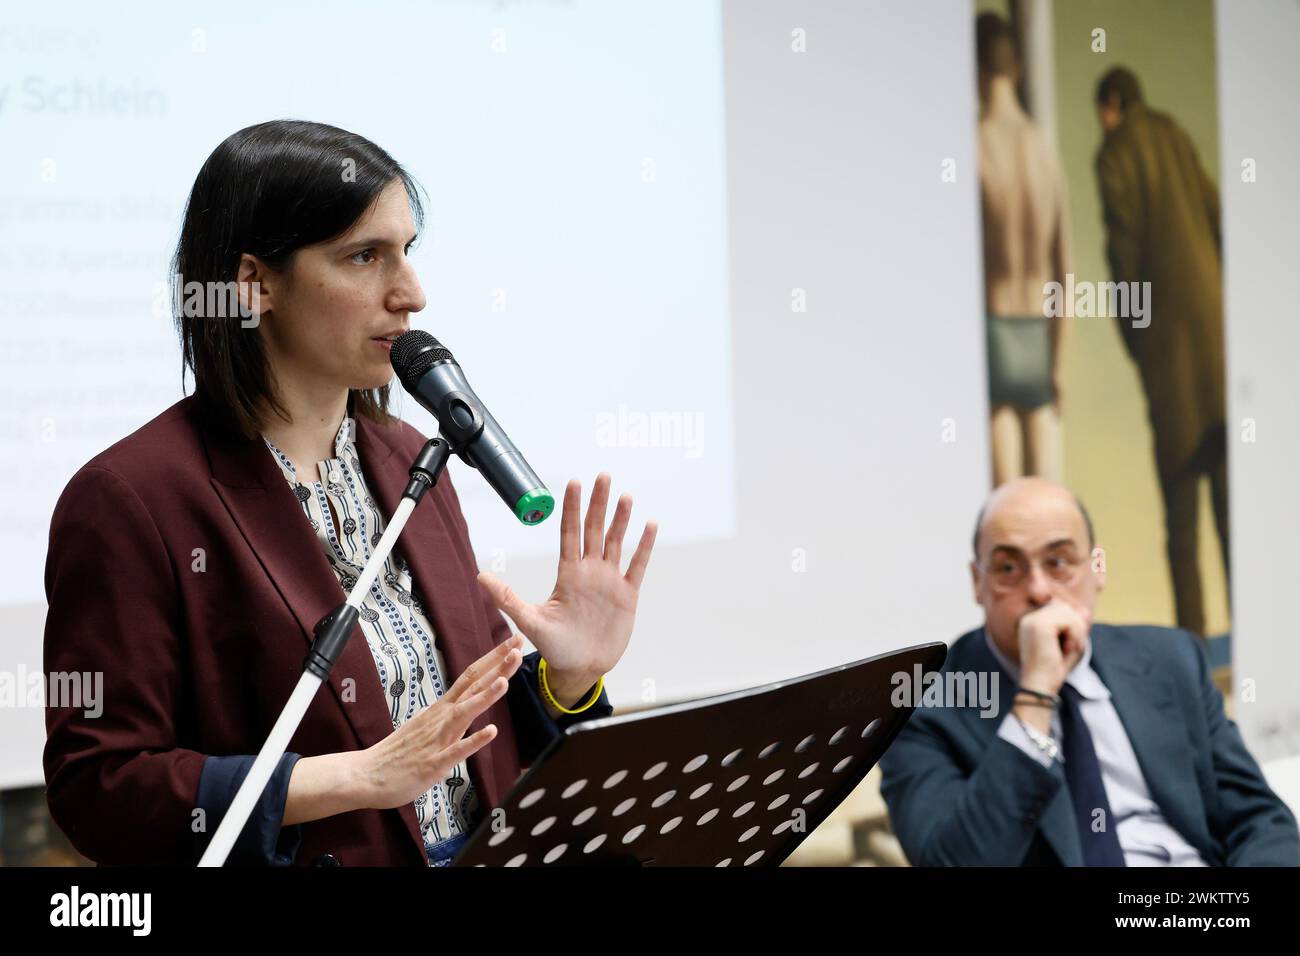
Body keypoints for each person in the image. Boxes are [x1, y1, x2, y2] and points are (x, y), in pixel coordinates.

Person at [43, 120, 658, 867]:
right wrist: (349, 780)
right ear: (253, 284)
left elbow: (467, 728)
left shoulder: (409, 456)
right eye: (365, 257)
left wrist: (568, 679)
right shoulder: (131, 499)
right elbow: (101, 790)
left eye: (407, 253)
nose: (412, 295)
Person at [879, 477, 1298, 866]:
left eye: (1059, 562)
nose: (1040, 590)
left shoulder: (1170, 659)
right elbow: (953, 862)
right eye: (1009, 568)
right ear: (977, 582)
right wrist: (1036, 694)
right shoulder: (923, 704)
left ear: (1097, 569)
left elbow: (1260, 821)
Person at [1095, 66, 1228, 636]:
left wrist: (1134, 336)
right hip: (1217, 343)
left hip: (1168, 352)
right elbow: (1220, 218)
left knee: (1181, 523)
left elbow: (1123, 257)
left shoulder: (1116, 153)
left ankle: (1195, 654)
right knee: (1230, 512)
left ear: (1112, 105)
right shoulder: (1174, 133)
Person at [975, 13, 1071, 485]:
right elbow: (1065, 268)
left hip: (995, 326)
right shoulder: (1043, 150)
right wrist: (1057, 363)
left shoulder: (975, 147)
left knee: (1009, 510)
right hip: (1039, 329)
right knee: (1048, 506)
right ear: (1015, 68)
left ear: (975, 72)